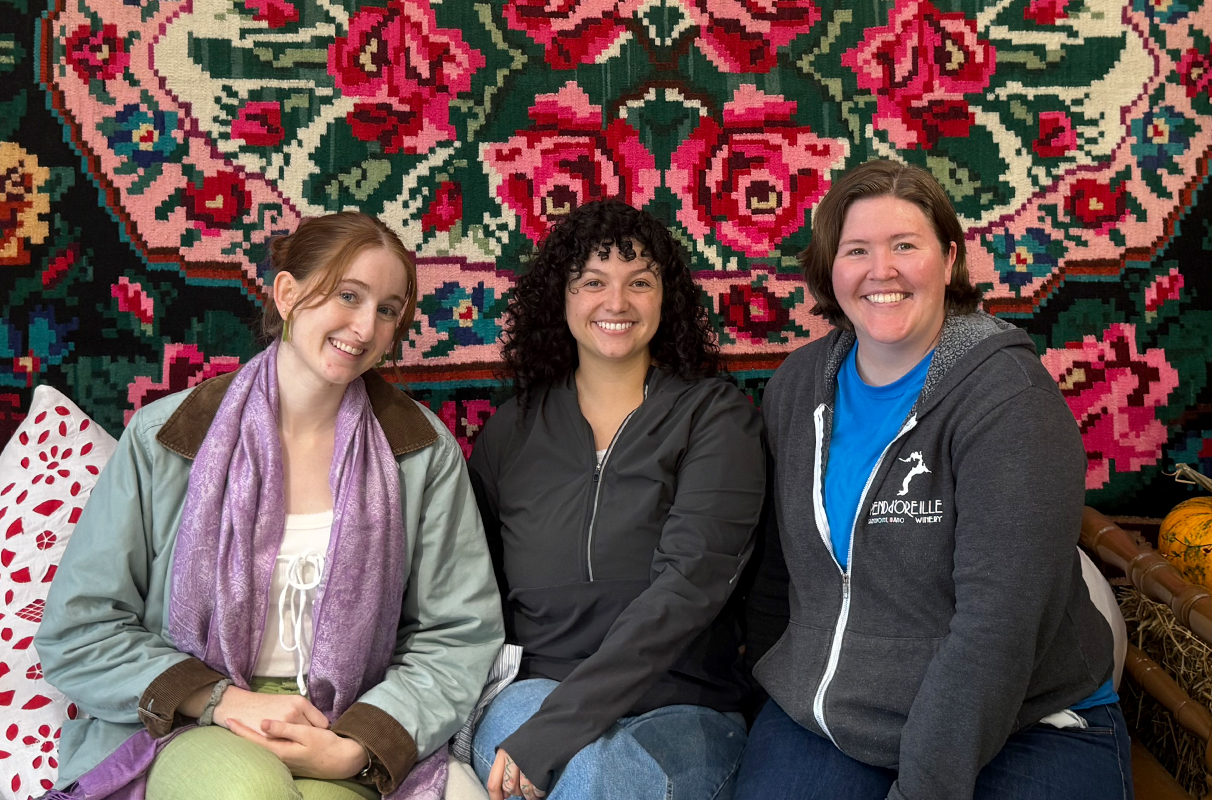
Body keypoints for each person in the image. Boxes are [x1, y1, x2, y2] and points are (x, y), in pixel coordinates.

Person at [36, 212, 504, 800]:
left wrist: (359, 744)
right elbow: (80, 627)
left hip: (337, 731)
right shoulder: (167, 436)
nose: (364, 327)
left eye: (387, 310)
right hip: (189, 725)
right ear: (287, 294)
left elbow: (457, 635)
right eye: (347, 295)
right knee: (245, 791)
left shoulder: (422, 453)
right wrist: (221, 701)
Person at [737, 160, 1130, 800]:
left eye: (905, 246)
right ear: (830, 269)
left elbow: (997, 629)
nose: (881, 270)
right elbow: (778, 574)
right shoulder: (796, 388)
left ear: (948, 260)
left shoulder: (1008, 401)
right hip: (834, 717)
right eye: (857, 249)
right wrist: (777, 690)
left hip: (1026, 720)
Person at [467, 199, 765, 800]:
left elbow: (688, 587)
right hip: (533, 692)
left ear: (666, 298)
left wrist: (557, 731)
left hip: (684, 704)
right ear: (563, 298)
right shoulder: (509, 432)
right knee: (593, 773)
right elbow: (472, 590)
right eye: (592, 282)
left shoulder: (715, 417)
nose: (616, 303)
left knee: (601, 775)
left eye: (640, 283)